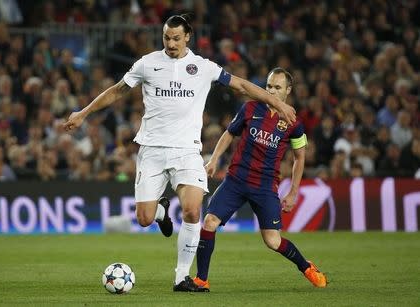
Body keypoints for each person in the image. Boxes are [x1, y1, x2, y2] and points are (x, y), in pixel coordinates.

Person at [63, 15, 296, 292]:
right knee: (144, 218)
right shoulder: (148, 64)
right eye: (166, 38)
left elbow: (242, 85)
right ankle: (161, 212)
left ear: (188, 37)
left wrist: (275, 102)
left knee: (192, 209)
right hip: (152, 149)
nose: (171, 43)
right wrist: (84, 112)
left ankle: (181, 278)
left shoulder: (203, 67)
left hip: (187, 151)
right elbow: (117, 91)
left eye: (176, 38)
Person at [193, 67, 327, 291]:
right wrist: (214, 159)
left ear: (288, 90)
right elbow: (229, 134)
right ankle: (201, 279)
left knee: (273, 241)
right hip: (236, 180)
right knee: (209, 222)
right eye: (269, 86)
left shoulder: (293, 122)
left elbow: (299, 158)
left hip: (265, 186)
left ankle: (306, 267)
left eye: (277, 87)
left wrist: (293, 191)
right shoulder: (250, 108)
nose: (272, 91)